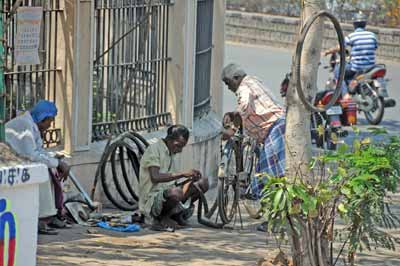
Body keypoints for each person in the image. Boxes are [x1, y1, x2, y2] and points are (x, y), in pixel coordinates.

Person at [221, 63, 286, 231]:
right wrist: (234, 114)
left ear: (236, 78)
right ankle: (275, 216)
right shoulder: (253, 81)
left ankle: (276, 220)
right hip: (274, 127)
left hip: (274, 128)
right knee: (271, 173)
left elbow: (244, 106)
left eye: (228, 83)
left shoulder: (244, 87)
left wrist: (232, 129)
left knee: (270, 176)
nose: (228, 88)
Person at [5, 100, 71, 235]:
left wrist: (55, 161)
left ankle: (52, 214)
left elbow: (38, 150)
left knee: (51, 171)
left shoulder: (32, 125)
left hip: (20, 159)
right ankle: (42, 218)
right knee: (42, 173)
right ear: (43, 118)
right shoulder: (24, 124)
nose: (50, 125)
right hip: (11, 161)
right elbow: (31, 154)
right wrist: (56, 163)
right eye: (50, 121)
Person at [138, 124, 209, 231]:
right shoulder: (154, 150)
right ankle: (162, 218)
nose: (180, 150)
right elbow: (155, 177)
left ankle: (175, 215)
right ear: (169, 139)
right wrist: (183, 174)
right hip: (152, 200)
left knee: (202, 183)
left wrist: (190, 179)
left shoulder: (171, 152)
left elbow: (172, 182)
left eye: (182, 147)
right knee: (176, 193)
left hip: (167, 194)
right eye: (178, 145)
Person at [324, 11, 378, 98]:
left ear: (354, 24)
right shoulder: (372, 35)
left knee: (338, 71)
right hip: (371, 67)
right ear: (365, 24)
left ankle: (345, 95)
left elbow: (340, 47)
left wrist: (328, 52)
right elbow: (375, 47)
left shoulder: (352, 36)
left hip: (357, 67)